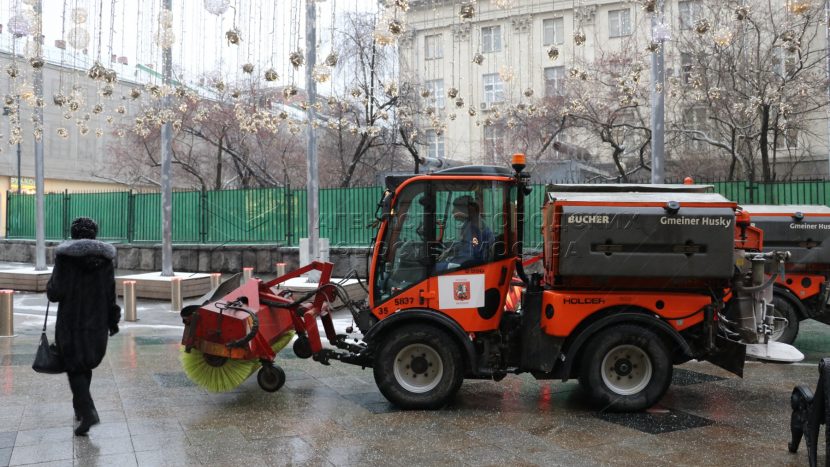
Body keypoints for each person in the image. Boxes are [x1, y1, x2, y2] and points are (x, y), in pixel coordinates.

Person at [47, 217, 120, 436]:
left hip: (71, 323)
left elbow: (55, 292)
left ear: (73, 234)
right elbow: (110, 294)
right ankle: (80, 408)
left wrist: (51, 285)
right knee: (84, 365)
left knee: (74, 366)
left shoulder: (65, 258)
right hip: (96, 323)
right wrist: (112, 321)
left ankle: (87, 411)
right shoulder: (105, 260)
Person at [436, 195, 494, 271]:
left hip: (467, 264)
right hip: (464, 261)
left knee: (435, 268)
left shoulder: (476, 228)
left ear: (463, 210)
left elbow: (472, 253)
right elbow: (463, 244)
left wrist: (451, 259)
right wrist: (450, 251)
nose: (453, 212)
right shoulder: (468, 224)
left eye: (455, 209)